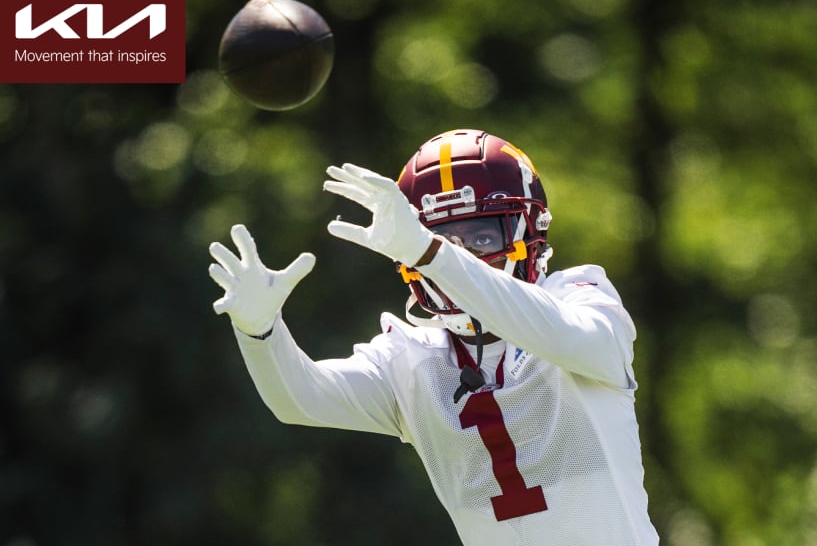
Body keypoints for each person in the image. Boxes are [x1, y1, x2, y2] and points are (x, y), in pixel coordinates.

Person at [207, 129, 660, 545]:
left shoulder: (581, 297)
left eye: (481, 236)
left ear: (531, 233)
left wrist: (431, 250)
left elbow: (563, 337)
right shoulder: (411, 360)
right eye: (444, 238)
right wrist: (259, 330)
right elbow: (298, 399)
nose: (460, 255)